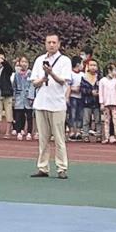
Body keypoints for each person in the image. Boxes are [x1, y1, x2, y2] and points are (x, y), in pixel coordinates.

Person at [28, 33, 73, 179]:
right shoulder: (39, 60)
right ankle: (43, 167)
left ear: (59, 44)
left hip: (57, 103)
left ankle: (62, 167)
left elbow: (63, 81)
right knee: (43, 138)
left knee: (59, 138)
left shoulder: (65, 61)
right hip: (41, 102)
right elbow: (34, 82)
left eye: (54, 42)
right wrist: (43, 78)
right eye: (49, 42)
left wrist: (51, 73)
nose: (51, 45)